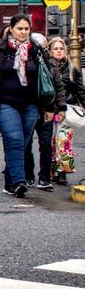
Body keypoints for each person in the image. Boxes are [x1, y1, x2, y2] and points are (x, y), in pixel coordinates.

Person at [0, 14, 56, 198]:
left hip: (31, 105)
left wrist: (50, 107)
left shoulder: (37, 50)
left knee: (23, 143)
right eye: (20, 28)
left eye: (26, 29)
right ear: (11, 29)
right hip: (4, 103)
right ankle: (19, 181)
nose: (23, 32)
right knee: (15, 139)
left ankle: (10, 183)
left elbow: (47, 79)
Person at [24, 35, 63, 190]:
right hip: (29, 109)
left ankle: (44, 178)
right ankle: (29, 176)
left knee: (45, 144)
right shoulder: (24, 63)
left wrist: (61, 107)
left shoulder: (50, 65)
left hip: (46, 109)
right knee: (27, 144)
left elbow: (58, 88)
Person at [47, 36, 84, 185]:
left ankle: (63, 172)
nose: (59, 51)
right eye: (55, 48)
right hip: (49, 110)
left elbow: (80, 91)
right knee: (50, 142)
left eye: (61, 48)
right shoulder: (45, 67)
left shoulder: (71, 69)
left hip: (66, 111)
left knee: (64, 142)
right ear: (50, 51)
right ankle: (52, 171)